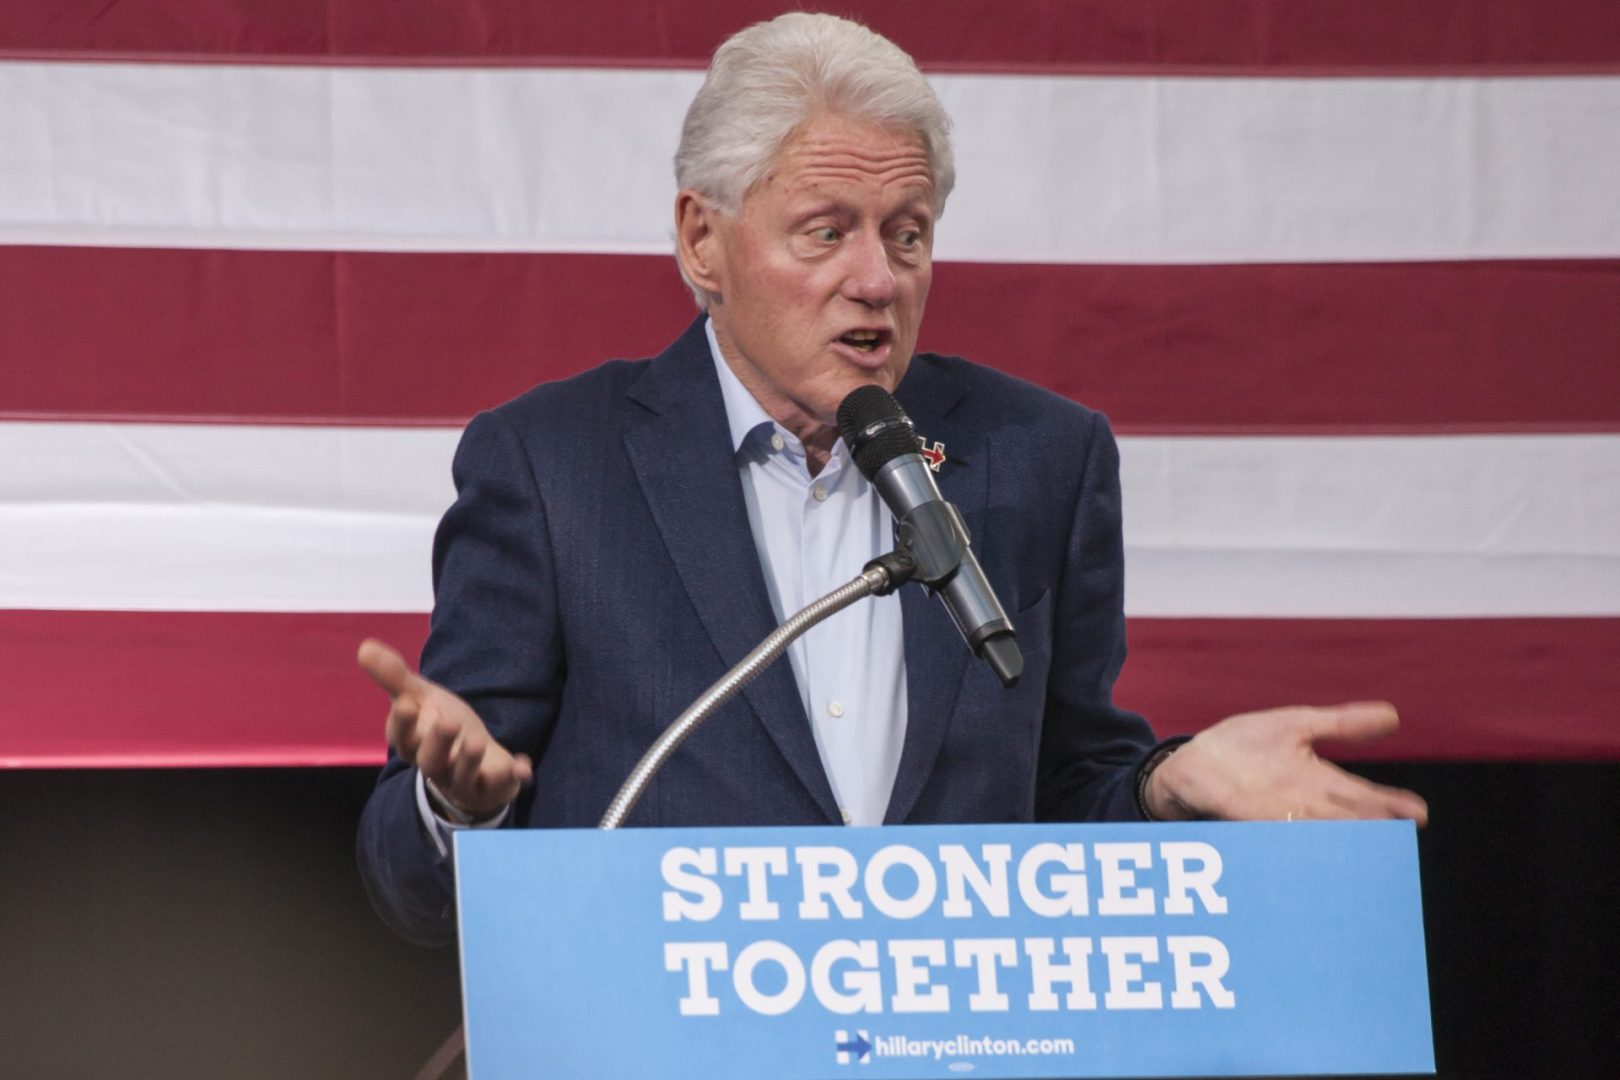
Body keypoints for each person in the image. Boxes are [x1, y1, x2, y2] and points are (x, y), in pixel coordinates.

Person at [356, 13, 1426, 946]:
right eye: (826, 233)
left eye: (907, 235)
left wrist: (1164, 787)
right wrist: (463, 810)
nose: (876, 279)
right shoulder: (553, 466)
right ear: (702, 240)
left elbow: (1064, 799)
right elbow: (406, 886)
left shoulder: (1037, 456)